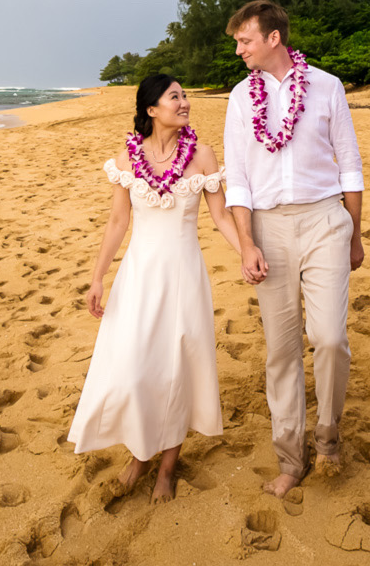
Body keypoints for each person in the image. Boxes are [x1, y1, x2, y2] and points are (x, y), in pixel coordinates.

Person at [68, 74, 246, 501]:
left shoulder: (202, 156)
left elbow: (221, 216)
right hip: (139, 278)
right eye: (175, 97)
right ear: (151, 109)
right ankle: (140, 455)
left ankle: (166, 467)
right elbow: (117, 223)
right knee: (136, 368)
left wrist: (248, 250)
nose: (185, 103)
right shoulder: (128, 160)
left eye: (185, 96)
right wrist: (98, 278)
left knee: (177, 369)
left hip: (184, 276)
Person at [221, 0, 365, 499]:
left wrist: (356, 232)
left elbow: (349, 162)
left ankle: (328, 440)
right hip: (268, 227)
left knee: (328, 337)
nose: (239, 49)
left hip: (326, 218)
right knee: (282, 350)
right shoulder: (241, 98)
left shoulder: (326, 86)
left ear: (274, 38)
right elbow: (237, 178)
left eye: (245, 40)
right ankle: (290, 457)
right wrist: (246, 243)